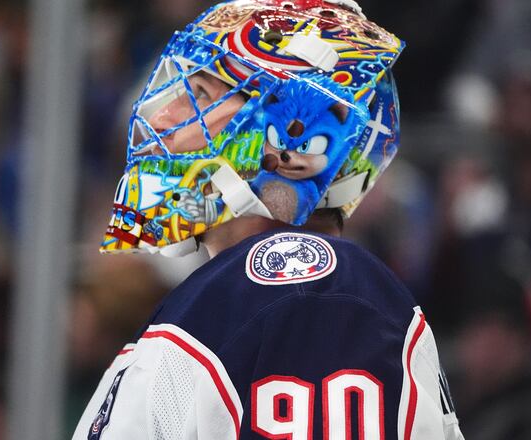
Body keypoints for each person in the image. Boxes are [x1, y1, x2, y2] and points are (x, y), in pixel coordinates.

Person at [74, 1, 466, 438]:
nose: (165, 116)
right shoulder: (246, 294)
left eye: (200, 94)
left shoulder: (298, 295)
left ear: (287, 139)